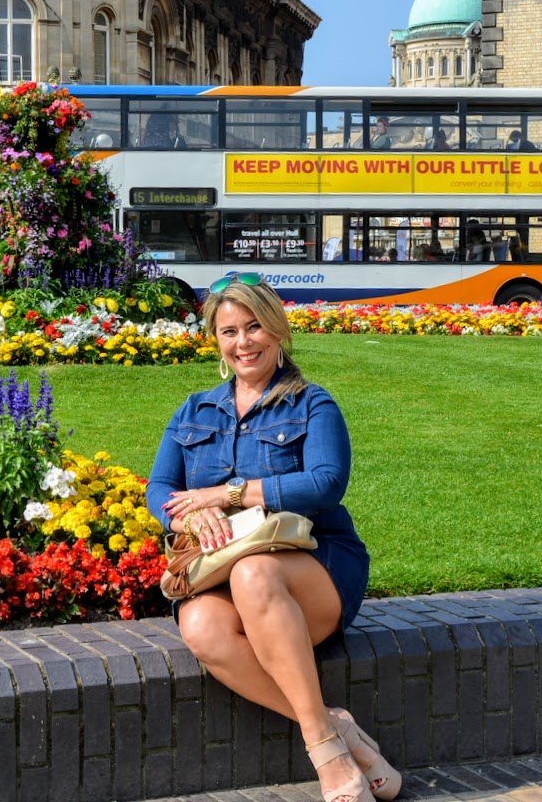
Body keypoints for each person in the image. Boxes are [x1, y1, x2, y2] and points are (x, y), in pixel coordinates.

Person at [147, 275, 395, 802]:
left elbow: (327, 483)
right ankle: (335, 728)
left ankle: (326, 756)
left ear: (278, 330)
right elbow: (160, 489)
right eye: (229, 331)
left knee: (254, 571)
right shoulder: (194, 410)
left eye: (255, 327)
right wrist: (187, 520)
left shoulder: (311, 404)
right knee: (201, 627)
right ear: (215, 339)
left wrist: (229, 495)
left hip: (315, 563)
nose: (244, 343)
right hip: (221, 564)